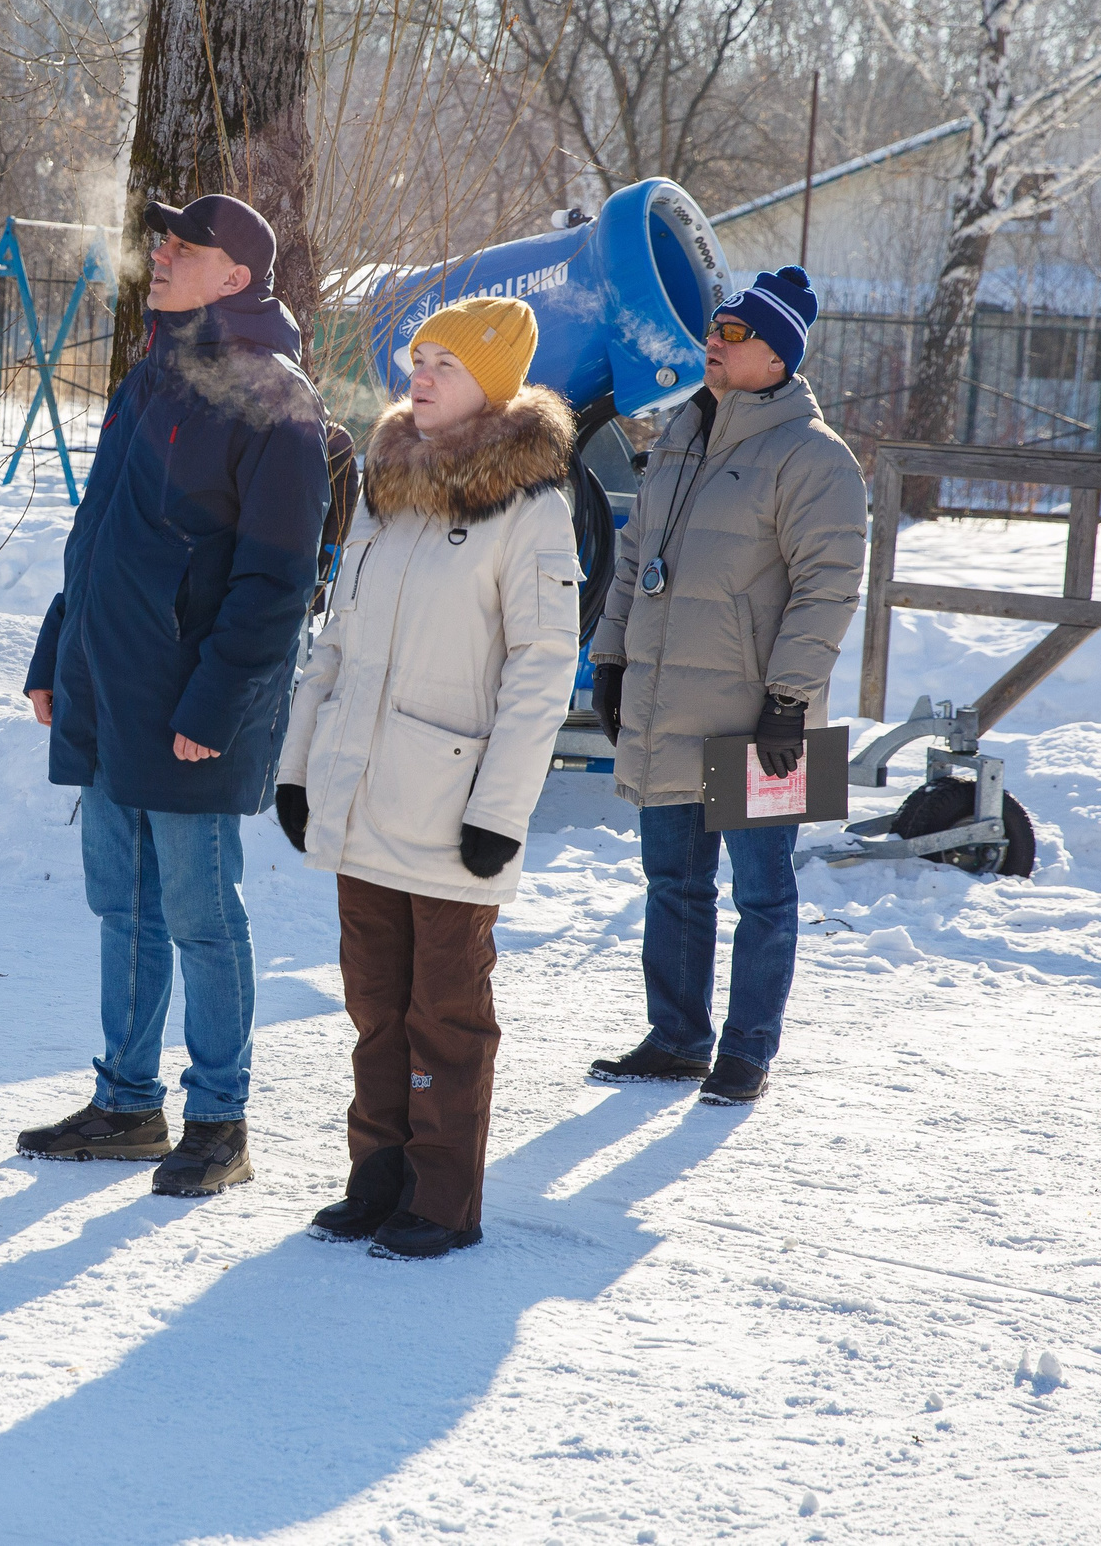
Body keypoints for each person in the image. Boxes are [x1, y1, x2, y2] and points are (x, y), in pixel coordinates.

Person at [15, 193, 331, 1196]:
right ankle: (125, 1105)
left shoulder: (276, 401)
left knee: (200, 913)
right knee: (125, 907)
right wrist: (54, 652)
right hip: (109, 690)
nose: (159, 254)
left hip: (195, 706)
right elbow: (99, 535)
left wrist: (215, 707)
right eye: (160, 241)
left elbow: (274, 583)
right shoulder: (152, 376)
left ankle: (220, 1123)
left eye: (183, 247)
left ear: (236, 276)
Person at [274, 296, 581, 1259]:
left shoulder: (530, 506)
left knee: (443, 1010)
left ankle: (441, 1197)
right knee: (373, 1003)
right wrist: (297, 768)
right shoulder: (385, 484)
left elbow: (544, 667)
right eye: (419, 355)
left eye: (446, 360)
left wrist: (500, 811)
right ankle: (378, 1177)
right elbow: (338, 641)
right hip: (364, 794)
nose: (423, 371)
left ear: (491, 381)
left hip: (454, 807)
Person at [583, 265, 866, 1106]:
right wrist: (610, 659)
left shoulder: (815, 458)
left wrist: (788, 701)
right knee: (673, 882)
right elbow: (635, 555)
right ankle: (676, 1039)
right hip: (670, 701)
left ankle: (747, 1050)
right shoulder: (680, 434)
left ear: (777, 355)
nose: (713, 341)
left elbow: (828, 587)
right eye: (714, 328)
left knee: (764, 892)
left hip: (763, 715)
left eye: (734, 334)